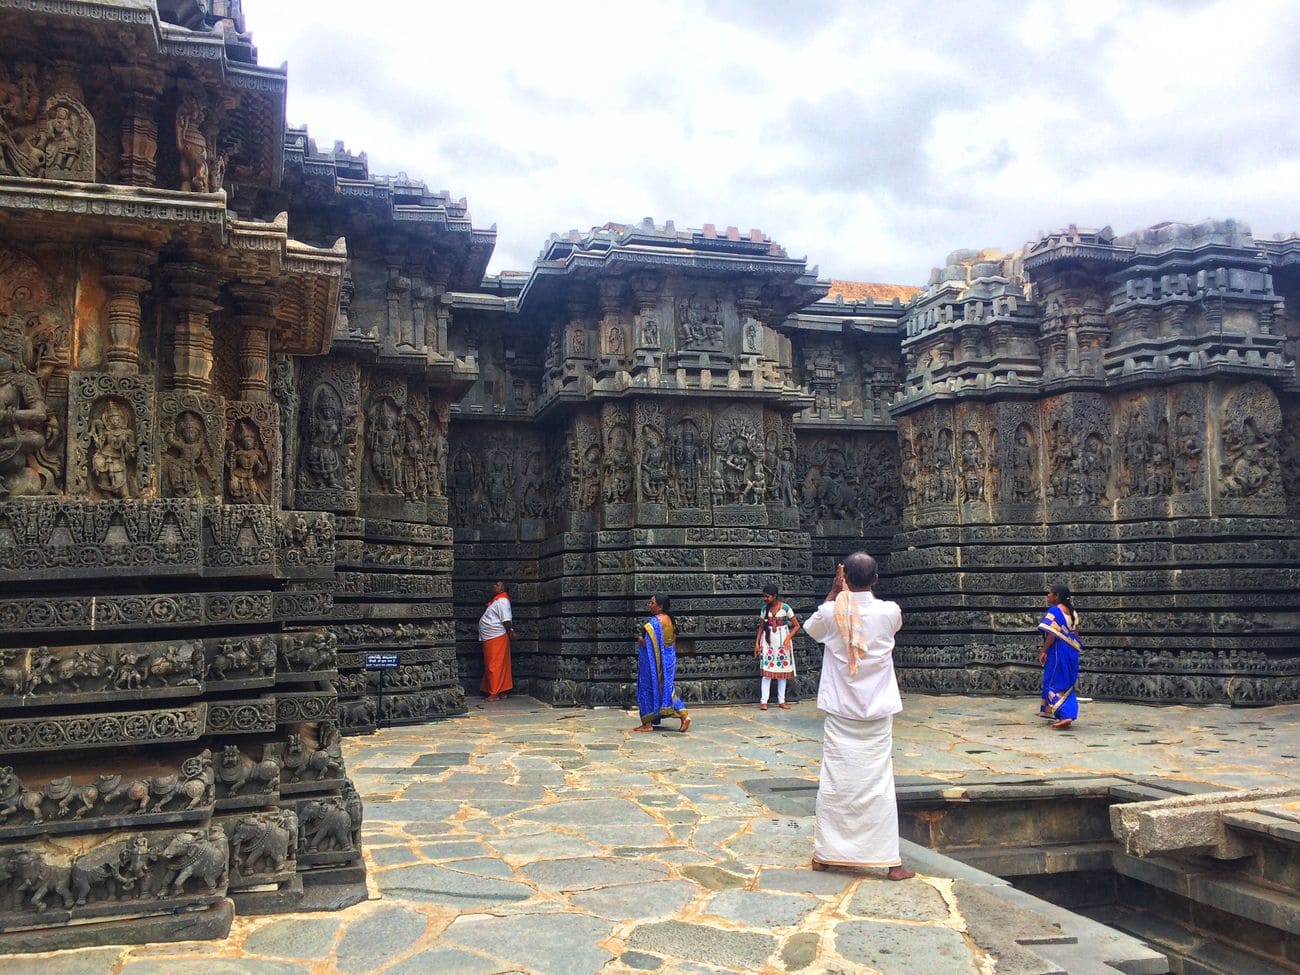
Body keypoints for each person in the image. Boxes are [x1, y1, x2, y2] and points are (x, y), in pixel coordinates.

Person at [803, 552, 915, 881]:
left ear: (844, 579)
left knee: (836, 783)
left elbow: (811, 628)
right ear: (876, 579)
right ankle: (890, 862)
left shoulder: (831, 611)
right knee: (878, 785)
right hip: (877, 715)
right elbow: (878, 617)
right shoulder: (890, 612)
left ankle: (826, 855)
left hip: (842, 713)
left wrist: (836, 592)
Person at [634, 594, 690, 733]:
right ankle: (684, 716)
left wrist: (640, 640)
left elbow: (649, 644)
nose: (650, 605)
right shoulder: (671, 620)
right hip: (668, 660)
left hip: (654, 664)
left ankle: (647, 724)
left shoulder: (654, 623)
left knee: (647, 688)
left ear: (660, 606)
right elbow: (671, 643)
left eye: (652, 603)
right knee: (667, 691)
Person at [1038, 582, 1081, 730]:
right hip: (1071, 652)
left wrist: (1044, 650)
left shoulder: (1054, 611)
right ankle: (1067, 713)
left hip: (1058, 651)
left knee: (1052, 682)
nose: (1048, 595)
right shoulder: (1073, 613)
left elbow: (1051, 634)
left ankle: (1065, 715)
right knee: (1067, 684)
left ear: (1057, 596)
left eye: (1050, 593)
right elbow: (1075, 634)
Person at [755, 584, 800, 710]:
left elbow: (796, 625)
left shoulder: (785, 608)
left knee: (782, 672)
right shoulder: (765, 609)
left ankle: (782, 700)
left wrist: (788, 638)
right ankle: (764, 701)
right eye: (764, 596)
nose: (765, 599)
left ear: (775, 596)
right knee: (767, 673)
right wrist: (757, 643)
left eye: (767, 596)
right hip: (768, 642)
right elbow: (761, 627)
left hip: (782, 642)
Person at [478, 580, 513, 702]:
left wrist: (511, 632)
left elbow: (506, 620)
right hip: (492, 636)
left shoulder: (502, 601)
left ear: (503, 589)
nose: (494, 586)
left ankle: (494, 693)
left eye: (497, 585)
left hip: (496, 636)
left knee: (494, 665)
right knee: (498, 663)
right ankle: (502, 690)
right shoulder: (498, 600)